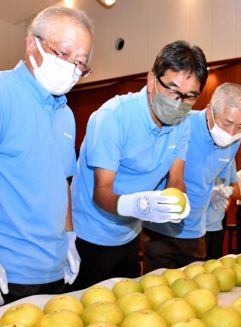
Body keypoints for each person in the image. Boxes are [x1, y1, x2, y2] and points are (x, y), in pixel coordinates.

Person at [71, 40, 208, 290]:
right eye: (173, 90)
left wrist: (176, 202)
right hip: (90, 234)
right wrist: (138, 205)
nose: (179, 102)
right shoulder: (113, 117)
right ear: (151, 80)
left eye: (190, 96)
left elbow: (176, 179)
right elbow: (101, 192)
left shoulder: (183, 123)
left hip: (130, 234)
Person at [0, 6, 93, 305]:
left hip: (54, 269)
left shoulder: (66, 114)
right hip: (9, 273)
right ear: (32, 45)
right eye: (65, 54)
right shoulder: (4, 93)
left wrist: (69, 235)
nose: (74, 68)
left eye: (81, 62)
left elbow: (61, 181)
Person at [141, 82, 241, 272]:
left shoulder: (236, 139)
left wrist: (220, 191)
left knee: (195, 295)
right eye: (226, 123)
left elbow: (217, 176)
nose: (232, 133)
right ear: (210, 109)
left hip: (196, 231)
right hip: (160, 231)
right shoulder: (181, 124)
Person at [205, 160, 240, 259]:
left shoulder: (230, 157)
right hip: (196, 228)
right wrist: (207, 194)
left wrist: (230, 191)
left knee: (214, 267)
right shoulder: (197, 151)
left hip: (217, 226)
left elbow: (237, 190)